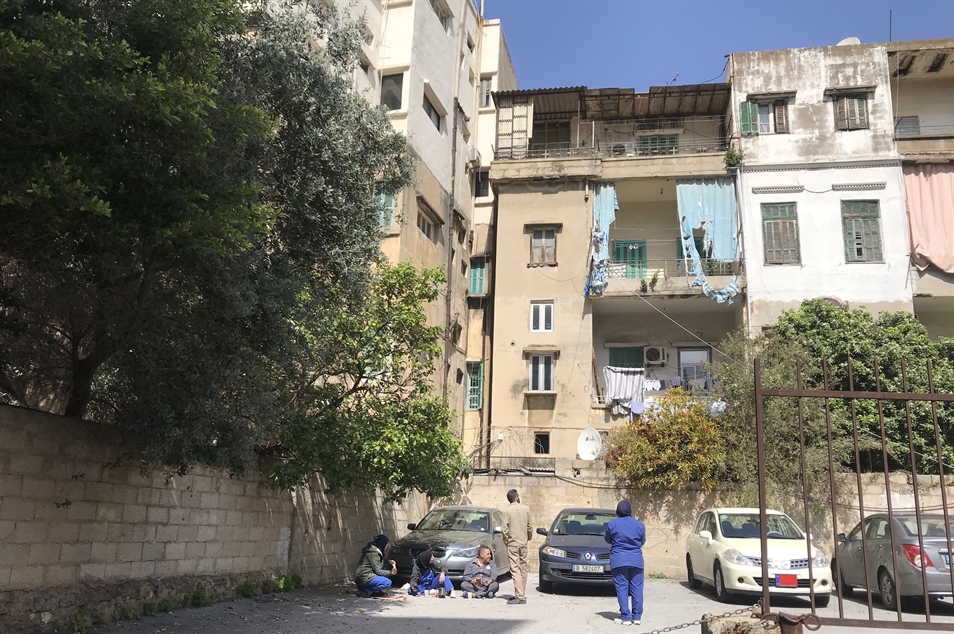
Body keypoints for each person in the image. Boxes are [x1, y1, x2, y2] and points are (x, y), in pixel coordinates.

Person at [604, 500, 646, 626]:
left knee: (622, 588)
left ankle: (625, 617)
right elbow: (642, 541)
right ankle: (637, 616)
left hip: (619, 560)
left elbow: (607, 539)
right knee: (637, 588)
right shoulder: (639, 525)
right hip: (636, 560)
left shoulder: (612, 524)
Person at [502, 489, 532, 605]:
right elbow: (530, 526)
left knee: (515, 569)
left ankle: (520, 596)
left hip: (513, 543)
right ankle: (521, 593)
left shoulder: (507, 511)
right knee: (523, 568)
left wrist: (506, 541)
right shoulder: (526, 509)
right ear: (517, 497)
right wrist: (528, 537)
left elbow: (504, 529)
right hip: (523, 543)